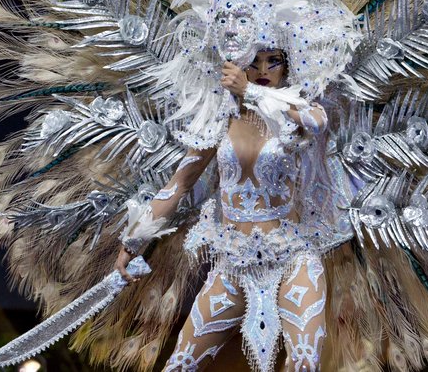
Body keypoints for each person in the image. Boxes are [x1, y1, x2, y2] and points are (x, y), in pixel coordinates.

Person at [116, 49, 334, 372]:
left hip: (293, 260)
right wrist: (132, 241)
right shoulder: (219, 117)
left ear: (286, 66)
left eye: (272, 60)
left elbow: (318, 122)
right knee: (179, 366)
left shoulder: (295, 112)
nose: (262, 69)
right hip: (233, 266)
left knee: (304, 366)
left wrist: (251, 91)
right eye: (253, 61)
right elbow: (180, 183)